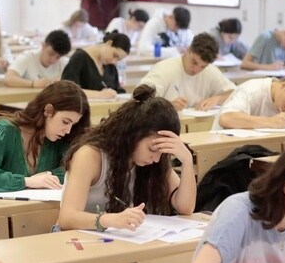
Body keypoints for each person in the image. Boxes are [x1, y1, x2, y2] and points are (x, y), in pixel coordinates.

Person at [57, 84, 196, 231]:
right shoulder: (90, 155)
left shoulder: (155, 161)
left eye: (162, 152)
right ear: (133, 136)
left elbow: (185, 208)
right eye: (152, 149)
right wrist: (111, 219)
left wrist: (187, 161)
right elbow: (66, 218)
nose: (156, 159)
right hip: (77, 240)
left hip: (118, 240)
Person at [0, 80, 90, 192]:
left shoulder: (61, 139)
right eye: (65, 122)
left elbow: (73, 170)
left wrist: (47, 177)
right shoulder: (5, 131)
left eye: (73, 125)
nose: (68, 131)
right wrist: (27, 181)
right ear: (48, 110)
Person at [140, 32, 236, 111]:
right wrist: (167, 106)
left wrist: (217, 99)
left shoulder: (210, 71)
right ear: (188, 50)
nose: (196, 70)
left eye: (203, 67)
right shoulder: (165, 69)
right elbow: (139, 100)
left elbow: (235, 93)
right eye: (194, 62)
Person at [61, 31, 129, 99]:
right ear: (109, 43)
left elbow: (117, 90)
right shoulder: (79, 58)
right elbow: (68, 91)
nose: (114, 61)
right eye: (114, 55)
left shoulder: (110, 66)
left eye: (118, 60)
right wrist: (100, 94)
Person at [4, 29, 71, 88]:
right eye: (51, 53)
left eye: (58, 57)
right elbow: (8, 79)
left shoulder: (64, 62)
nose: (53, 59)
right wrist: (33, 84)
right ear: (43, 46)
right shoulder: (27, 57)